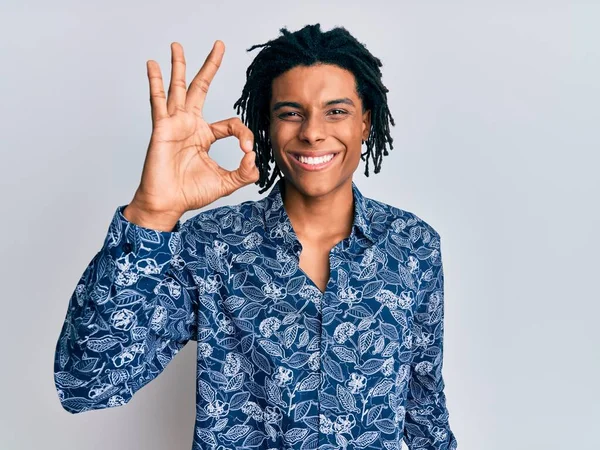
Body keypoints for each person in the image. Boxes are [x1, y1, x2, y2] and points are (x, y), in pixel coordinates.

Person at [53, 23, 458, 450]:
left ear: (365, 123)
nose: (313, 132)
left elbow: (425, 410)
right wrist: (153, 212)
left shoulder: (413, 247)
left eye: (336, 111)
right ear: (267, 125)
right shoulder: (212, 247)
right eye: (291, 112)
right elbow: (86, 383)